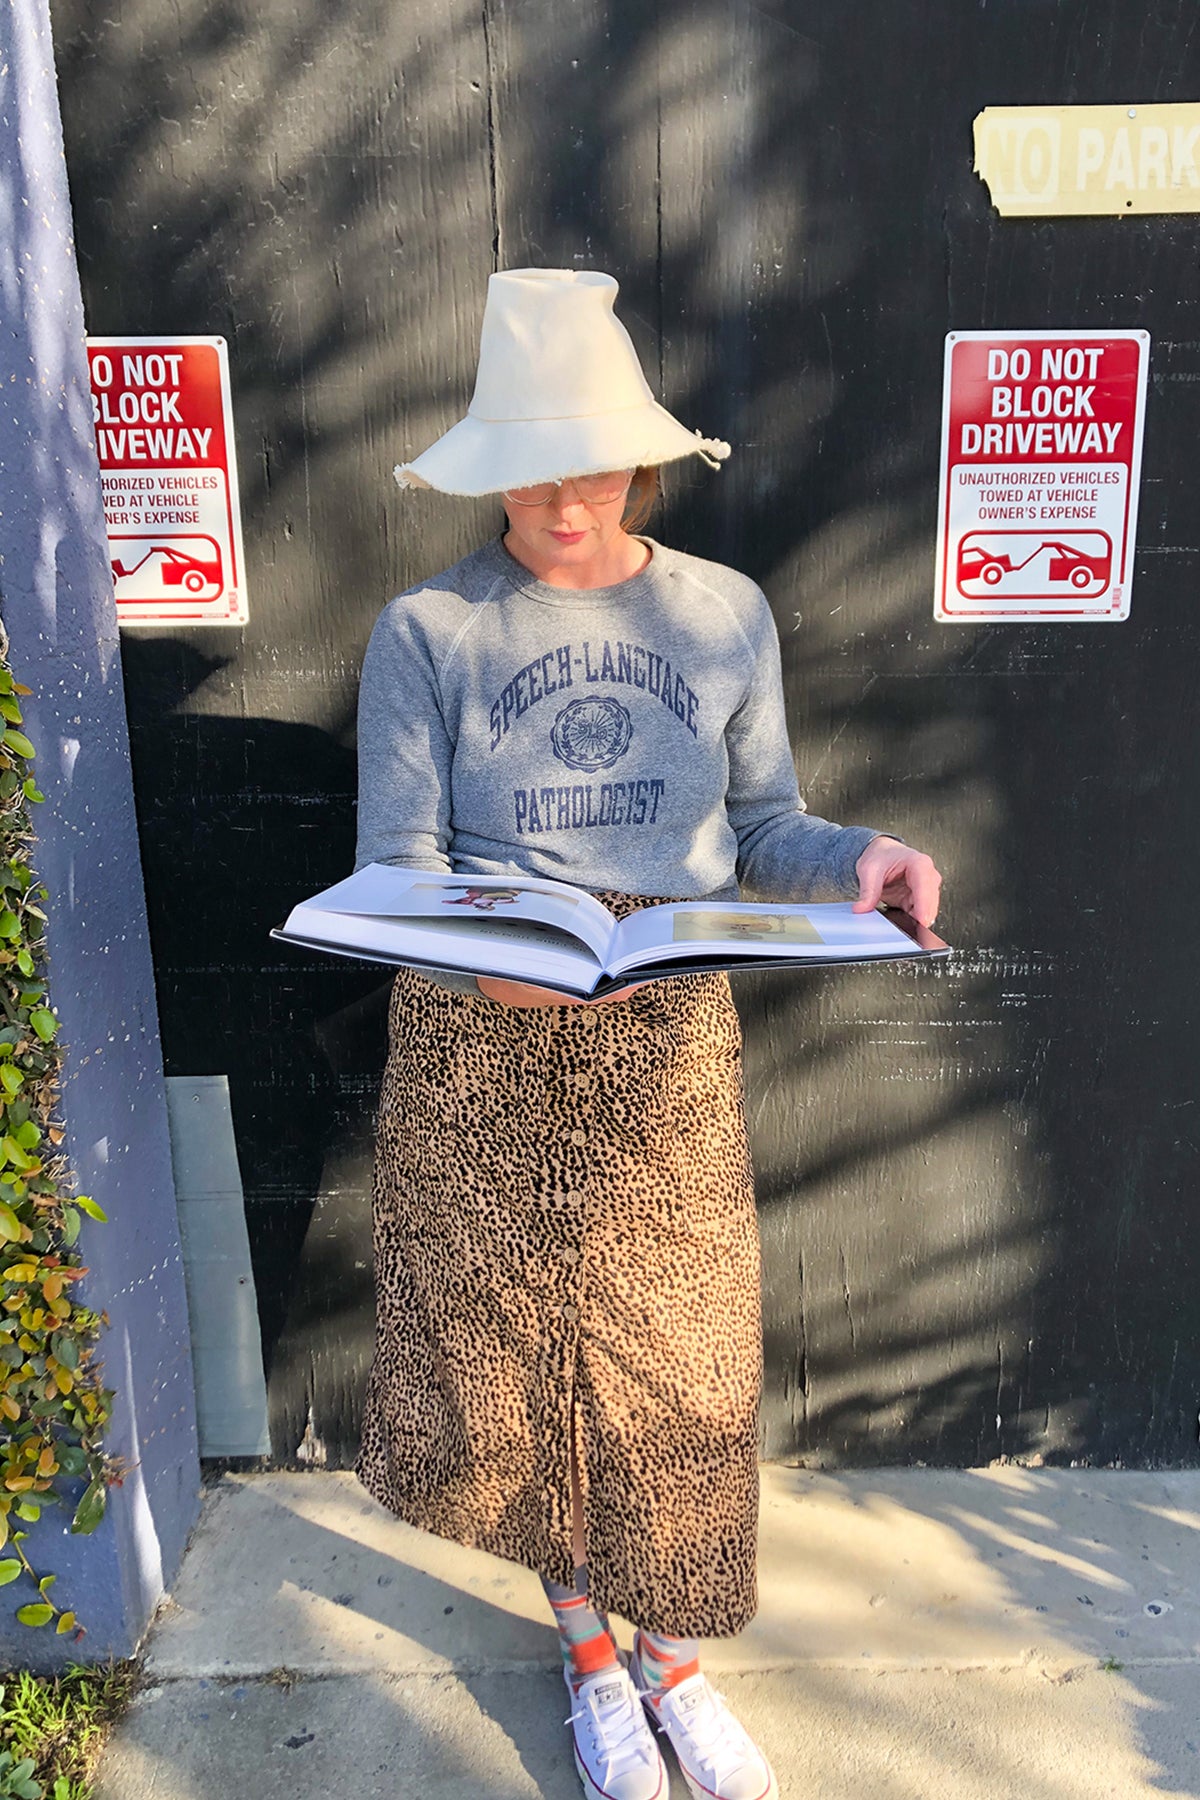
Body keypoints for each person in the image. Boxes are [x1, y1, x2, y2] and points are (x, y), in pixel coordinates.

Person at [353, 267, 942, 1800]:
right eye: (538, 464)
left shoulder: (719, 613)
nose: (568, 496)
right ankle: (591, 1655)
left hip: (666, 1045)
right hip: (484, 1053)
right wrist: (497, 959)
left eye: (596, 458)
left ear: (642, 458)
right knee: (520, 1372)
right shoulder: (428, 630)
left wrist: (862, 857)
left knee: (679, 1370)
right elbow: (398, 866)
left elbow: (770, 826)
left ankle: (671, 1651)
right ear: (495, 468)